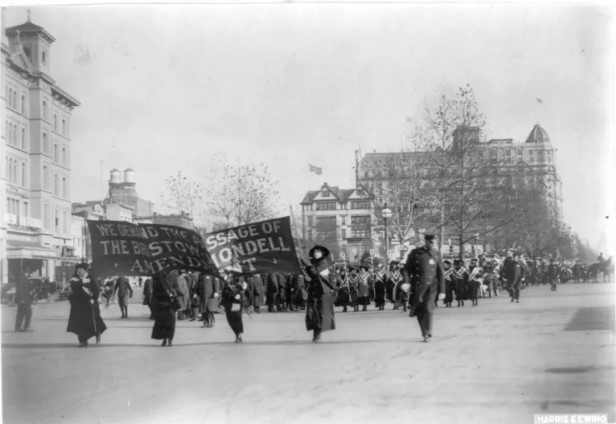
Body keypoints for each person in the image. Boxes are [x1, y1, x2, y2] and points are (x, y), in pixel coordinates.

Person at [403, 234, 445, 342]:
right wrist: (406, 282)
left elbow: (440, 273)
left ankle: (427, 332)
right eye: (430, 242)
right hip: (418, 286)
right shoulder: (415, 253)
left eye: (434, 242)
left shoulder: (436, 254)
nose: (433, 244)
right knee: (419, 310)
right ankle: (425, 332)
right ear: (425, 241)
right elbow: (406, 269)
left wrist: (442, 290)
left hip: (432, 287)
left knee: (428, 308)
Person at [67, 263, 107, 347]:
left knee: (93, 322)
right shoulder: (74, 279)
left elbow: (96, 289)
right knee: (80, 323)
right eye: (77, 270)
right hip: (79, 305)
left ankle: (97, 334)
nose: (78, 272)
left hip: (90, 304)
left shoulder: (90, 278)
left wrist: (94, 299)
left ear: (84, 270)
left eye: (80, 270)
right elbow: (72, 291)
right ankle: (83, 340)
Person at [303, 245, 336, 343]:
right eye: (314, 251)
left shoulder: (323, 262)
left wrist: (306, 264)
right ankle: (316, 332)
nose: (315, 253)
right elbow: (309, 275)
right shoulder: (313, 263)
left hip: (323, 291)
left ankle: (317, 334)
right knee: (311, 313)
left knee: (319, 313)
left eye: (318, 251)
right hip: (313, 290)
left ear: (322, 253)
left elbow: (314, 272)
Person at [151, 273, 178, 347]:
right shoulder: (159, 285)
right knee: (167, 324)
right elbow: (154, 296)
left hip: (166, 307)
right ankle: (167, 340)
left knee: (166, 324)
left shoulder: (170, 281)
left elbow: (176, 290)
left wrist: (172, 293)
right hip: (165, 307)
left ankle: (167, 340)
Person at [220, 271, 246, 343]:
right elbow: (223, 291)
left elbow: (243, 288)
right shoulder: (224, 278)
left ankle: (238, 334)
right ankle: (237, 333)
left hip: (236, 301)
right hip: (228, 302)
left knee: (237, 318)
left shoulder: (239, 277)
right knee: (230, 320)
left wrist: (240, 295)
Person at [14, 266, 34, 332]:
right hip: (23, 299)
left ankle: (18, 328)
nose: (29, 274)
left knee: (21, 313)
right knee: (29, 312)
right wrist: (22, 298)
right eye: (29, 273)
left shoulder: (24, 278)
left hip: (24, 298)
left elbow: (26, 288)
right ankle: (25, 327)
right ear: (26, 272)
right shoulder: (21, 278)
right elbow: (19, 289)